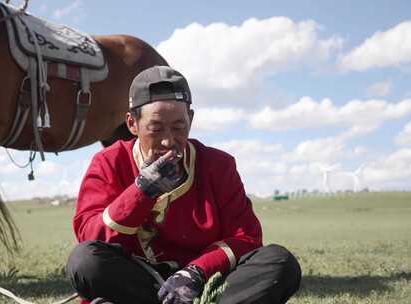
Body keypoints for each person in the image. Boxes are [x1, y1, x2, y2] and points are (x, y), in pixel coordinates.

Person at [66, 66, 301, 304]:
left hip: (203, 281)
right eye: (156, 129)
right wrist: (141, 191)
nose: (168, 141)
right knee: (85, 261)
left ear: (191, 118)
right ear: (132, 123)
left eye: (179, 128)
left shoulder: (219, 164)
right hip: (139, 284)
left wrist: (196, 272)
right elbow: (90, 235)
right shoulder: (109, 162)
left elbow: (246, 237)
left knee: (281, 262)